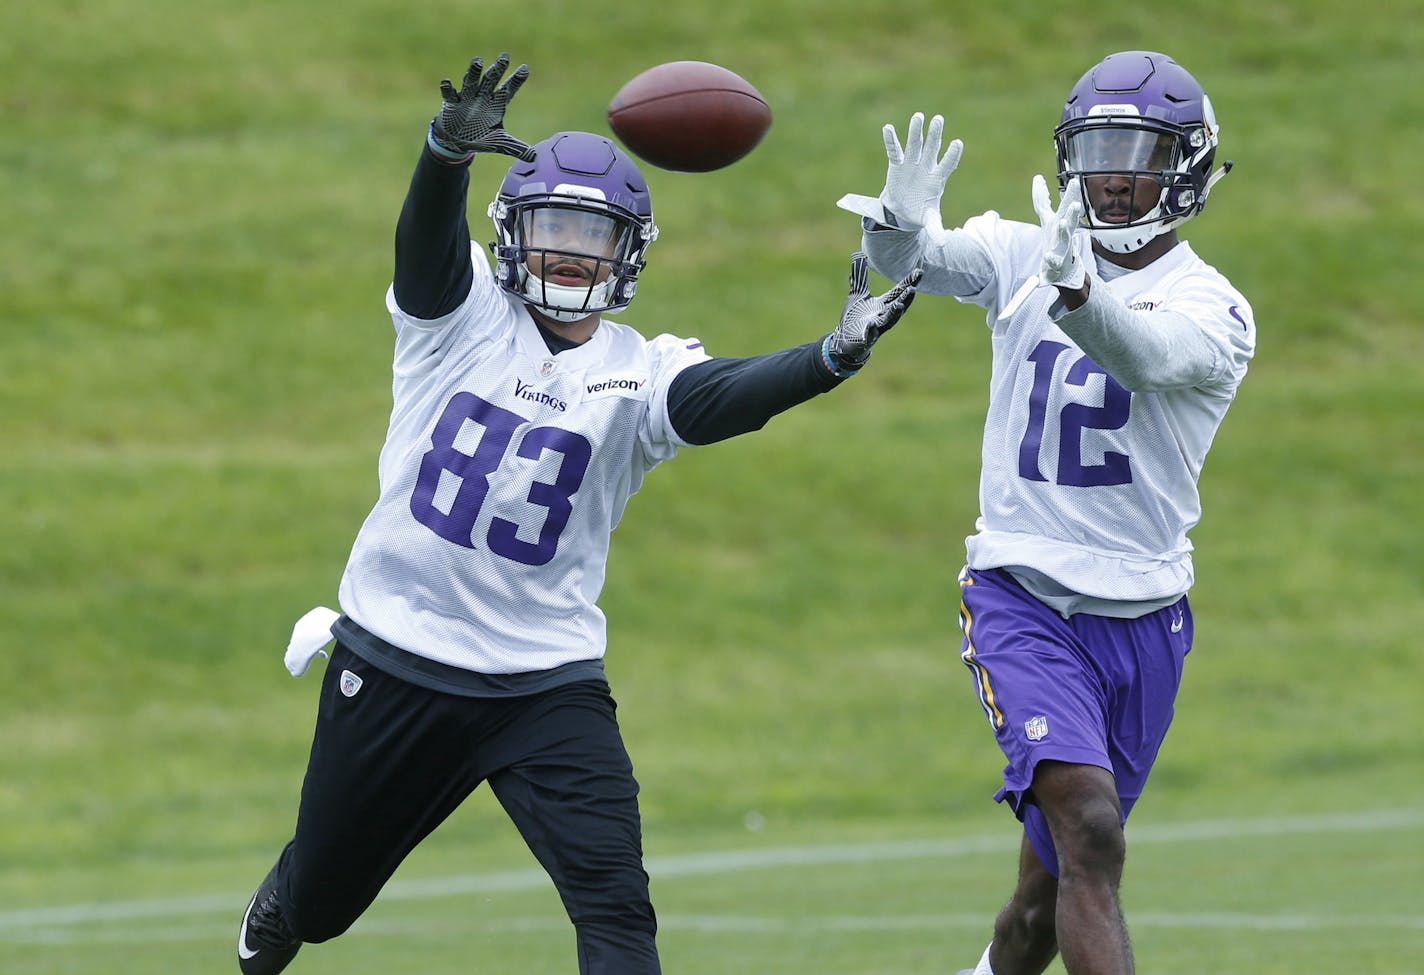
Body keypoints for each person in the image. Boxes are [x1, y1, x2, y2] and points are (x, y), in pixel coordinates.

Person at [235, 51, 921, 975]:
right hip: (399, 652)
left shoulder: (642, 368)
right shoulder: (461, 316)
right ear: (511, 233)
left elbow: (723, 397)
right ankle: (287, 896)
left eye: (591, 234)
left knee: (617, 911)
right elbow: (423, 249)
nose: (568, 250)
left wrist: (829, 356)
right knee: (319, 904)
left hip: (542, 680)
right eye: (551, 226)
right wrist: (444, 155)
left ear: (627, 253)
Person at [838, 51, 1254, 975]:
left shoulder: (1214, 305)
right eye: (1098, 147)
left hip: (1143, 616)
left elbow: (1144, 355)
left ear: (1188, 165)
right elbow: (917, 268)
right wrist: (899, 226)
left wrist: (1079, 296)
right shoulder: (1028, 248)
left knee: (1039, 905)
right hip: (1023, 595)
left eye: (1137, 151)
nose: (1112, 173)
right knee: (1093, 835)